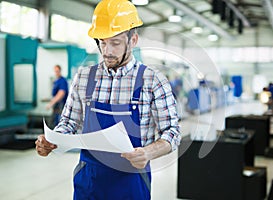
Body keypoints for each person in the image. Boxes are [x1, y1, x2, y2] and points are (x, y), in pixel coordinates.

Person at [35, 0, 181, 199]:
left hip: (131, 183)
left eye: (115, 42)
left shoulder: (153, 80)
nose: (107, 51)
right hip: (89, 181)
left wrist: (148, 152)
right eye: (102, 42)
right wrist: (52, 141)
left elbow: (172, 132)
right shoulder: (85, 77)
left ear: (133, 40)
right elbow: (69, 122)